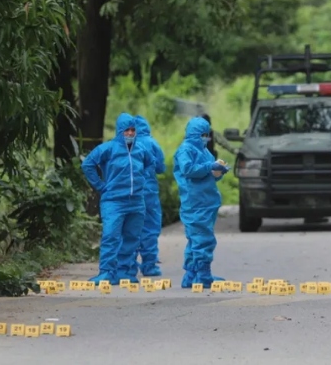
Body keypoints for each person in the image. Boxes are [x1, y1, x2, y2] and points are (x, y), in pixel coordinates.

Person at [81, 113, 157, 284]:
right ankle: (107, 272)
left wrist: (143, 178)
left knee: (132, 237)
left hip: (137, 201)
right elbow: (88, 164)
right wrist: (100, 186)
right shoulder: (108, 148)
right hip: (114, 201)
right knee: (111, 235)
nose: (130, 133)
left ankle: (126, 272)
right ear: (119, 131)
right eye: (126, 130)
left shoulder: (140, 149)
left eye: (133, 130)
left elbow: (151, 162)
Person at [174, 117, 230, 288]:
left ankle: (191, 275)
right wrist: (210, 167)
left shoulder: (204, 151)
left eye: (207, 134)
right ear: (193, 134)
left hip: (206, 201)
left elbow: (208, 176)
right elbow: (188, 170)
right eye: (202, 135)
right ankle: (203, 275)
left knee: (195, 239)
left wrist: (218, 172)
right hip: (195, 202)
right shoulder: (186, 150)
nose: (206, 138)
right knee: (202, 239)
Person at [129, 115, 166, 277]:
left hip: (130, 191)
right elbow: (160, 168)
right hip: (149, 192)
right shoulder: (152, 143)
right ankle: (149, 265)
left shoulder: (127, 143)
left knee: (130, 227)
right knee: (150, 227)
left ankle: (128, 265)